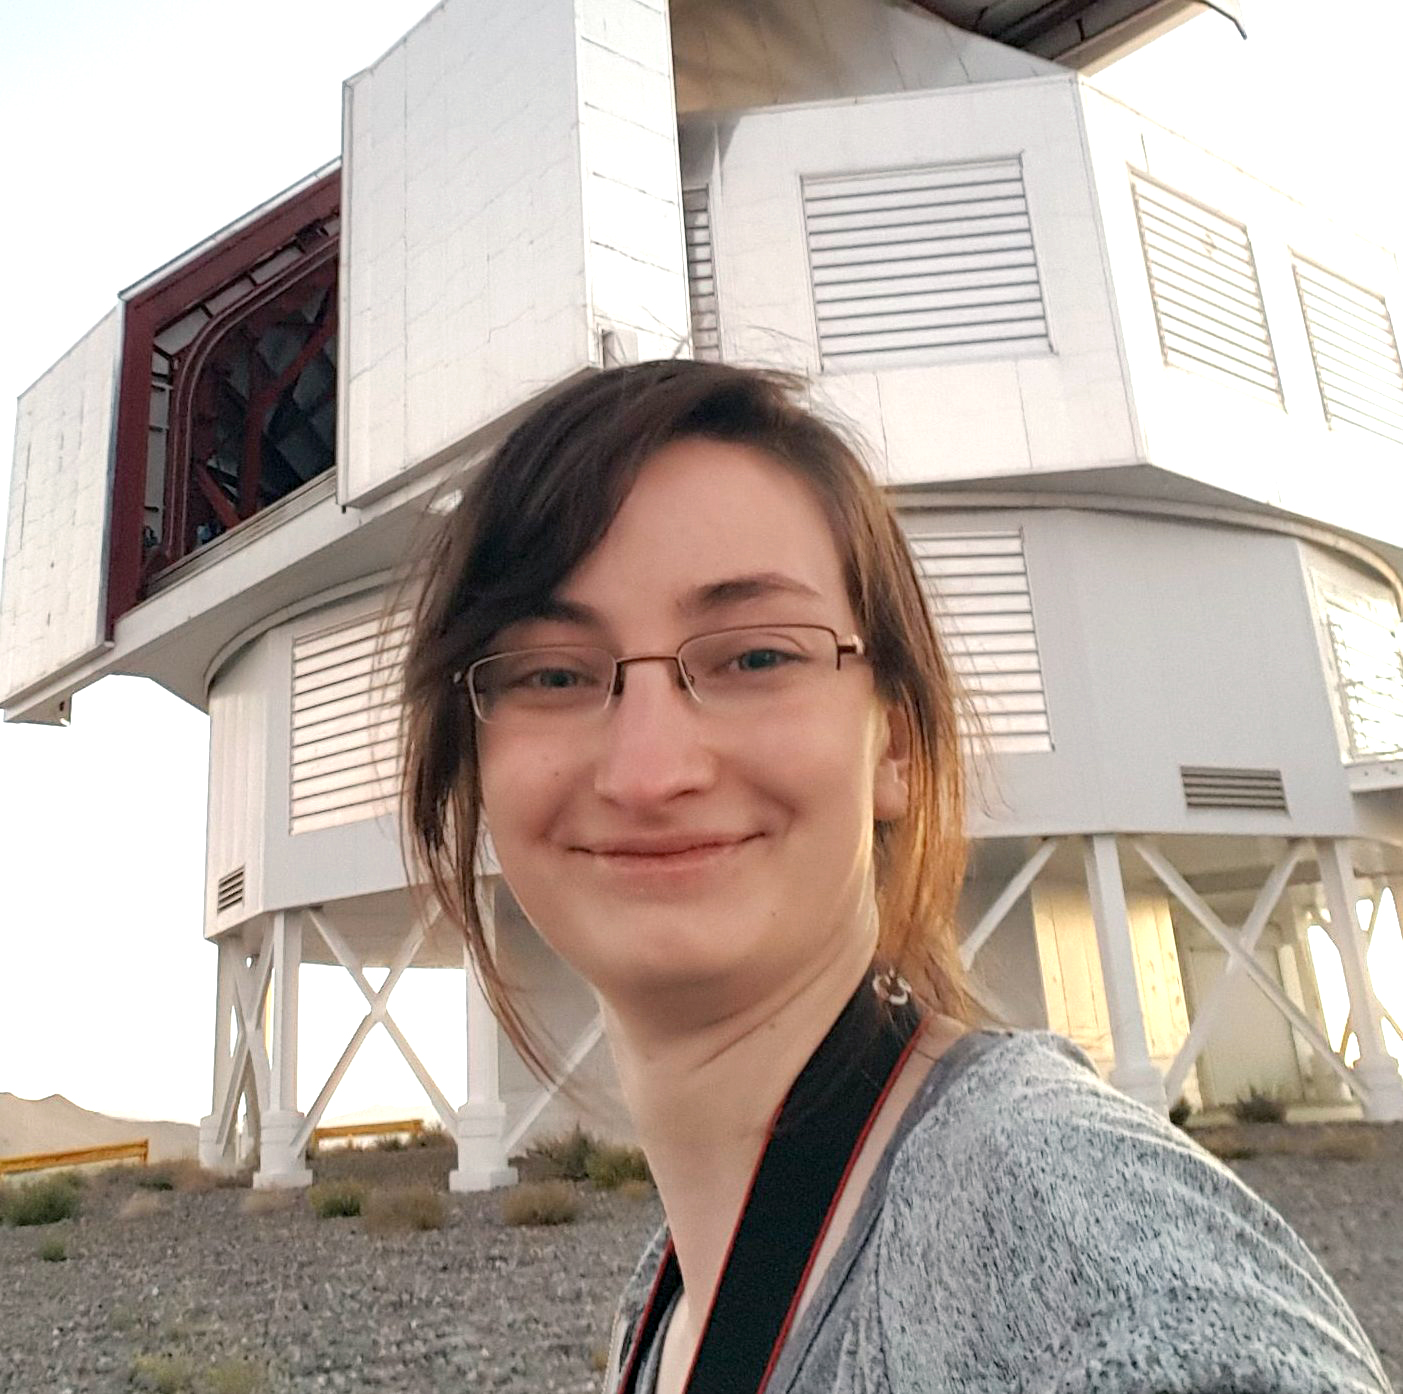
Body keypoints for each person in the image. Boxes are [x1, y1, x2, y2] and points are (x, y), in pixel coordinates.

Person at [399, 360, 1393, 1394]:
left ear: (896, 745)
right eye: (551, 673)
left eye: (754, 657)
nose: (650, 771)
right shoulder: (664, 1299)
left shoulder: (1064, 1228)